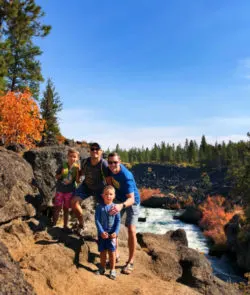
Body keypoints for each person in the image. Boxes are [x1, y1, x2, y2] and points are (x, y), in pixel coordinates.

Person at [107, 152, 140, 275]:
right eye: (110, 162)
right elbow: (109, 182)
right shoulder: (108, 169)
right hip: (118, 199)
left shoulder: (126, 176)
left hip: (132, 201)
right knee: (111, 226)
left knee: (131, 229)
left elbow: (131, 199)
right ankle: (115, 253)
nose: (112, 165)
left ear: (119, 162)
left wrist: (121, 206)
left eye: (115, 162)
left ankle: (130, 261)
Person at [71, 142, 109, 235]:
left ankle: (104, 233)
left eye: (97, 149)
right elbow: (80, 173)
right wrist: (77, 175)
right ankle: (81, 224)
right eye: (92, 149)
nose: (94, 151)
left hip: (100, 189)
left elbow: (109, 181)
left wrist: (109, 195)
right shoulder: (85, 162)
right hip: (86, 186)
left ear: (101, 151)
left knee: (103, 211)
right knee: (74, 202)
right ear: (90, 151)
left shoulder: (103, 164)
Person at [95, 185, 120, 280]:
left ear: (114, 196)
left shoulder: (115, 208)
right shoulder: (99, 207)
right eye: (106, 194)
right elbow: (97, 220)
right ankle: (102, 268)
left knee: (112, 252)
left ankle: (113, 270)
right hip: (102, 235)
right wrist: (101, 231)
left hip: (112, 235)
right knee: (102, 252)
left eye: (110, 194)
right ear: (102, 195)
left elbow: (118, 221)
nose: (108, 196)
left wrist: (116, 233)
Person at [53, 148, 80, 230]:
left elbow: (78, 181)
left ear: (77, 158)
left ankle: (65, 226)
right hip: (60, 190)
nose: (72, 158)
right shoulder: (62, 165)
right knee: (57, 207)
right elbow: (56, 176)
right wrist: (61, 174)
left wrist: (79, 172)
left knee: (66, 209)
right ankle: (53, 224)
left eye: (74, 157)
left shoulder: (77, 168)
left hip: (70, 191)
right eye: (71, 156)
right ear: (67, 157)